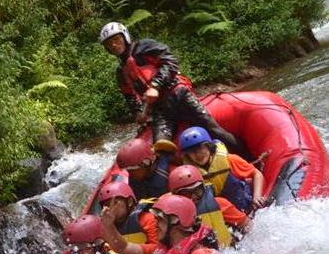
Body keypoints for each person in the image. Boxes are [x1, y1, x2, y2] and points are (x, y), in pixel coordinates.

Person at [99, 21, 249, 156]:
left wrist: (156, 85)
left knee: (214, 130)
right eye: (109, 44)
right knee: (160, 149)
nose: (114, 45)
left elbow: (170, 62)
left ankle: (249, 157)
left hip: (178, 94)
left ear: (124, 37)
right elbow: (129, 96)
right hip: (160, 109)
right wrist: (138, 112)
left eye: (116, 39)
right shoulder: (121, 72)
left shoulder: (144, 47)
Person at [179, 126, 266, 213]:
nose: (198, 154)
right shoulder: (189, 175)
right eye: (191, 152)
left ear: (209, 146)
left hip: (245, 206)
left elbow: (256, 173)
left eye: (200, 148)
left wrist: (257, 197)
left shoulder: (230, 160)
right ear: (187, 156)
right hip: (220, 215)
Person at [168, 165, 251, 247]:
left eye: (197, 191)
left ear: (203, 188)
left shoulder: (220, 204)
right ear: (176, 196)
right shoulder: (168, 214)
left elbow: (248, 225)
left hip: (225, 253)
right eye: (186, 194)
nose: (193, 197)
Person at [98, 180, 159, 254]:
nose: (110, 209)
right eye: (107, 205)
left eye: (115, 203)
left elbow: (159, 250)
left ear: (129, 202)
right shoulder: (105, 228)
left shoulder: (147, 219)